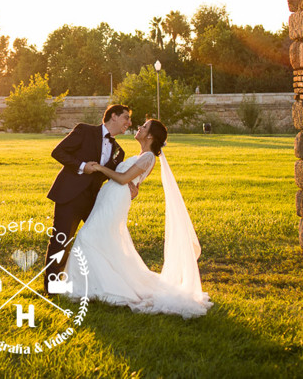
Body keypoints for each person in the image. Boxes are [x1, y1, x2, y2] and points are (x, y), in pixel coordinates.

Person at [64, 119, 212, 318]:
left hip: (116, 201)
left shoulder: (149, 157)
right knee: (102, 240)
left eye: (143, 127)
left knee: (87, 238)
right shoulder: (141, 156)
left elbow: (124, 179)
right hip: (109, 197)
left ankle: (98, 287)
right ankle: (97, 284)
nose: (139, 128)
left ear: (150, 136)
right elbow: (133, 184)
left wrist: (99, 168)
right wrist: (132, 189)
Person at [43, 104, 136, 294]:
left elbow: (115, 177)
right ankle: (51, 288)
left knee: (102, 240)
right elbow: (58, 152)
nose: (129, 122)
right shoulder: (84, 130)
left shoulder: (119, 151)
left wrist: (131, 186)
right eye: (126, 117)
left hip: (94, 202)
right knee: (61, 241)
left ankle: (101, 284)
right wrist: (82, 165)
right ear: (113, 116)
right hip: (69, 195)